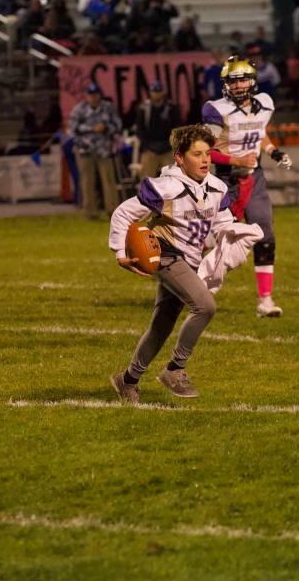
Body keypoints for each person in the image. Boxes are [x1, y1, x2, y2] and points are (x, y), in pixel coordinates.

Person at [107, 124, 236, 402]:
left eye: (208, 154)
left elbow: (223, 227)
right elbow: (122, 214)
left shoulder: (216, 187)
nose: (205, 160)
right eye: (197, 154)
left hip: (190, 259)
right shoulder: (165, 187)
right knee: (205, 306)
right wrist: (120, 252)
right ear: (179, 158)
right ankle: (175, 370)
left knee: (161, 326)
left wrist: (234, 241)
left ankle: (127, 380)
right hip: (165, 254)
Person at [202, 56, 292, 318]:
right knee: (210, 238)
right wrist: (235, 159)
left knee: (265, 235)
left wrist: (273, 151)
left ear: (253, 81)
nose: (240, 85)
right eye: (234, 80)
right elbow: (205, 151)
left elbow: (258, 131)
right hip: (225, 180)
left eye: (243, 79)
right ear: (225, 84)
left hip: (254, 177)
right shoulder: (216, 109)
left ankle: (265, 300)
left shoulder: (264, 103)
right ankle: (189, 283)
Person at [69, 83, 122, 219]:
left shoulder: (108, 108)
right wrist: (92, 128)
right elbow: (72, 129)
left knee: (109, 181)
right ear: (87, 96)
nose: (93, 98)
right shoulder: (79, 109)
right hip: (85, 151)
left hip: (104, 150)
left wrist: (105, 127)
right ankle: (90, 211)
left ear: (100, 95)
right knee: (87, 182)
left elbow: (118, 125)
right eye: (91, 95)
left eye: (96, 95)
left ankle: (112, 210)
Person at [132, 82, 179, 179]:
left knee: (174, 180)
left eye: (158, 91)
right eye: (154, 91)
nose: (156, 94)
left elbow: (176, 128)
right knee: (146, 181)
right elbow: (140, 130)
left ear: (163, 92)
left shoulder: (171, 108)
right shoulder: (143, 108)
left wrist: (168, 145)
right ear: (150, 92)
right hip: (149, 150)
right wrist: (148, 146)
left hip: (168, 149)